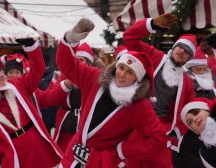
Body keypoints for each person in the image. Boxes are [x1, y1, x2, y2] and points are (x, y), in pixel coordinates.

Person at [56, 18, 167, 168]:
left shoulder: (140, 106)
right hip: (73, 154)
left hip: (102, 162)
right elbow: (65, 63)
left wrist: (120, 151)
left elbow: (158, 139)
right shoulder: (94, 78)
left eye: (129, 72)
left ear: (137, 79)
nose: (122, 74)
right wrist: (71, 38)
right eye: (121, 68)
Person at [0, 38, 62, 168]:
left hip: (37, 145)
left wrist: (32, 49)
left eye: (0, 70)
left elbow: (37, 70)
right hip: (12, 155)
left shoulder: (16, 86)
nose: (2, 74)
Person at [123, 13, 197, 153]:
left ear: (189, 58)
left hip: (161, 127)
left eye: (187, 51)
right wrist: (151, 25)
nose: (182, 51)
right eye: (180, 46)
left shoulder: (186, 81)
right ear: (174, 46)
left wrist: (178, 130)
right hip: (135, 119)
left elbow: (189, 108)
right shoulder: (154, 56)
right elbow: (129, 37)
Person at [173, 46, 215, 168]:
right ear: (190, 69)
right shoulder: (184, 86)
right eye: (198, 69)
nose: (202, 73)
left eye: (204, 69)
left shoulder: (211, 88)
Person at [181, 97, 216, 167]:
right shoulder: (205, 154)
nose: (195, 119)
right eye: (190, 122)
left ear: (207, 110)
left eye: (196, 113)